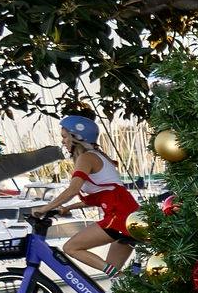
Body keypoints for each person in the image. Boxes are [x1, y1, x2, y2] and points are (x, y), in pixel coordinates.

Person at [39, 114, 138, 274]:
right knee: (115, 275)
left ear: (77, 137)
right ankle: (127, 283)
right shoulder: (97, 156)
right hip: (127, 214)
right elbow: (99, 197)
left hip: (118, 216)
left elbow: (72, 190)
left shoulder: (86, 158)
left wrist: (44, 208)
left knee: (71, 247)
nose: (63, 141)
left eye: (64, 137)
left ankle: (119, 275)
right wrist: (68, 208)